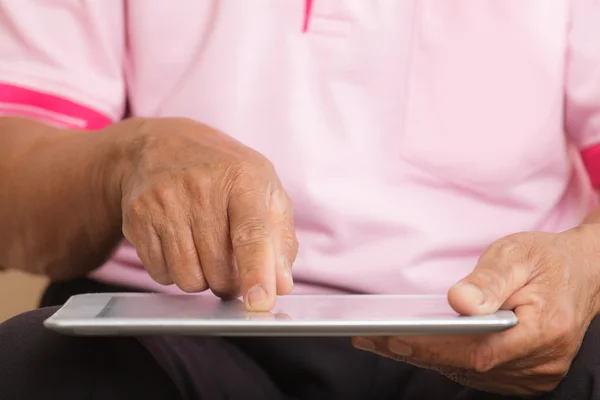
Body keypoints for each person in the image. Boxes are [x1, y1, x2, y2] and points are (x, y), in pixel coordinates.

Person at [1, 1, 600, 399]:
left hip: (484, 327)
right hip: (174, 323)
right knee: (34, 367)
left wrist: (586, 267)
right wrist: (126, 157)